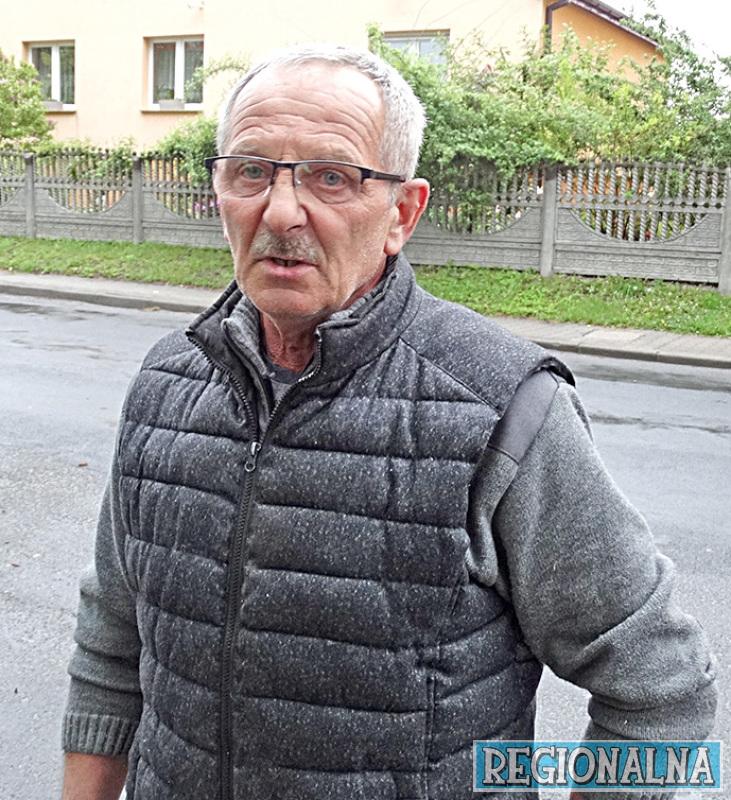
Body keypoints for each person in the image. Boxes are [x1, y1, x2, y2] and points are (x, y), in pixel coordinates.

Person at [61, 45, 716, 800]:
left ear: (402, 212)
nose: (280, 211)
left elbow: (661, 689)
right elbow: (113, 641)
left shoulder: (505, 408)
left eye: (331, 177)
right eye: (251, 171)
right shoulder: (165, 382)